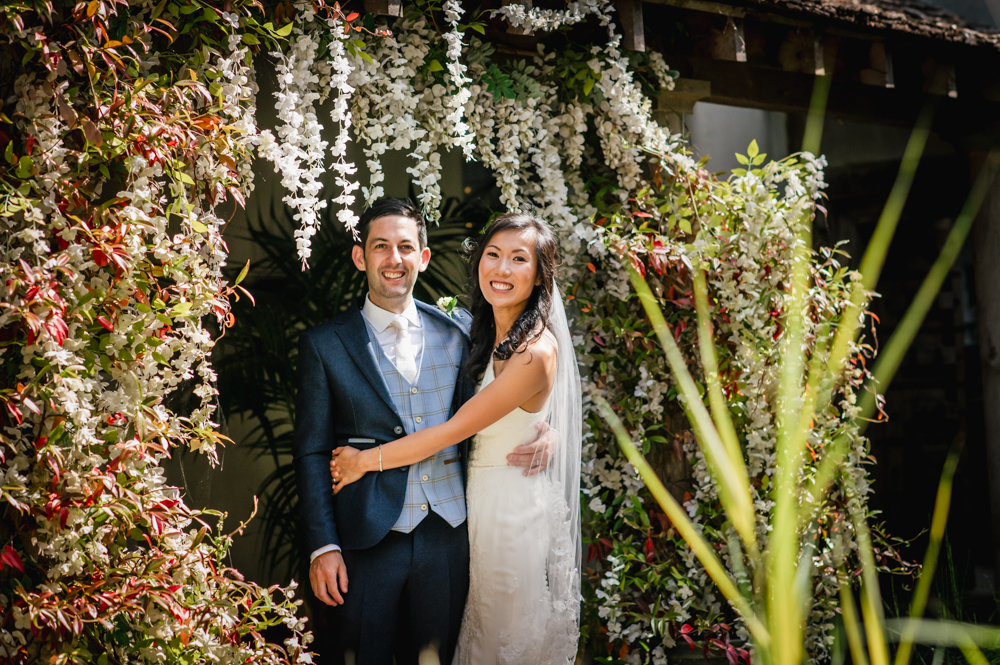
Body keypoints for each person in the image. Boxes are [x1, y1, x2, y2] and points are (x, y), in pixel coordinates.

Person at [292, 198, 555, 665]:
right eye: (381, 247)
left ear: (423, 258)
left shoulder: (461, 330)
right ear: (361, 257)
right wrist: (323, 546)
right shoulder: (324, 344)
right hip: (367, 539)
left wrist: (542, 428)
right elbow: (312, 451)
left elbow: (508, 390)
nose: (394, 259)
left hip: (452, 538)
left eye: (406, 247)